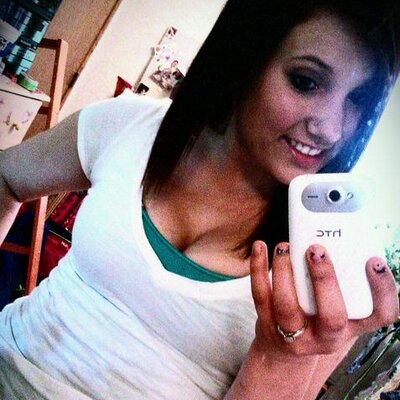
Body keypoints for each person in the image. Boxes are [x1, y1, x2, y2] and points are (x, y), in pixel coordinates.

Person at [0, 0, 399, 398]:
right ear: (246, 59)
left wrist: (280, 356)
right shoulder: (129, 126)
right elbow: (8, 176)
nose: (330, 129)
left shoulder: (329, 270)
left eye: (358, 100)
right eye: (305, 82)